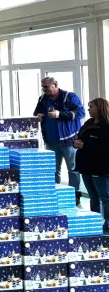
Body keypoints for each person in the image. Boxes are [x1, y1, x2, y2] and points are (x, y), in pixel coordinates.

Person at [35, 77, 85, 192]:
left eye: (46, 87)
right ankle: (55, 193)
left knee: (72, 169)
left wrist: (60, 114)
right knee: (53, 169)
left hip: (69, 141)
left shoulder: (69, 97)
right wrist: (38, 116)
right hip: (50, 141)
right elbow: (37, 112)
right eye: (42, 87)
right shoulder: (43, 99)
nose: (44, 89)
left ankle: (74, 194)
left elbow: (81, 113)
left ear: (55, 84)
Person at [74, 98, 109, 228]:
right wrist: (76, 143)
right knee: (93, 197)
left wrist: (85, 145)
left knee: (105, 197)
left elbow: (105, 148)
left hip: (99, 167)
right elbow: (80, 138)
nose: (88, 109)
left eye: (91, 107)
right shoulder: (89, 123)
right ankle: (95, 221)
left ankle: (107, 223)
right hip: (85, 166)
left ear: (99, 108)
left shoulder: (106, 127)